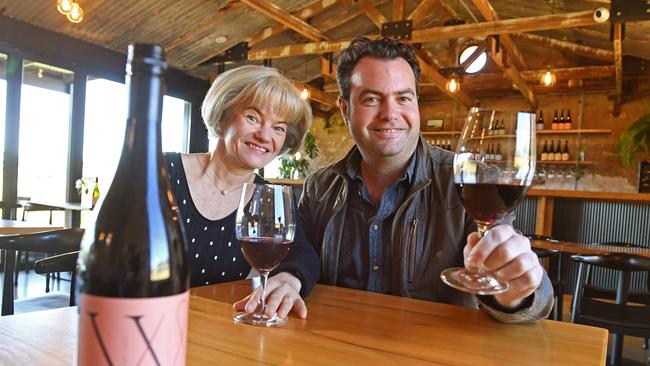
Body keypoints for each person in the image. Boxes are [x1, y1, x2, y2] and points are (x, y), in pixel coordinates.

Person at [297, 37, 553, 323]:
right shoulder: (319, 187)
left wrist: (515, 294)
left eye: (403, 98)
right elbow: (296, 262)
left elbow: (535, 300)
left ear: (417, 104)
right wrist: (287, 276)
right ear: (345, 110)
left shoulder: (468, 180)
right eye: (372, 99)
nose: (390, 113)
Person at [165, 65, 319, 320]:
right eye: (252, 117)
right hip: (141, 325)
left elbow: (305, 254)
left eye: (279, 128)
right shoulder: (160, 173)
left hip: (214, 334)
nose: (264, 135)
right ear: (223, 115)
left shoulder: (267, 197)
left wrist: (291, 278)